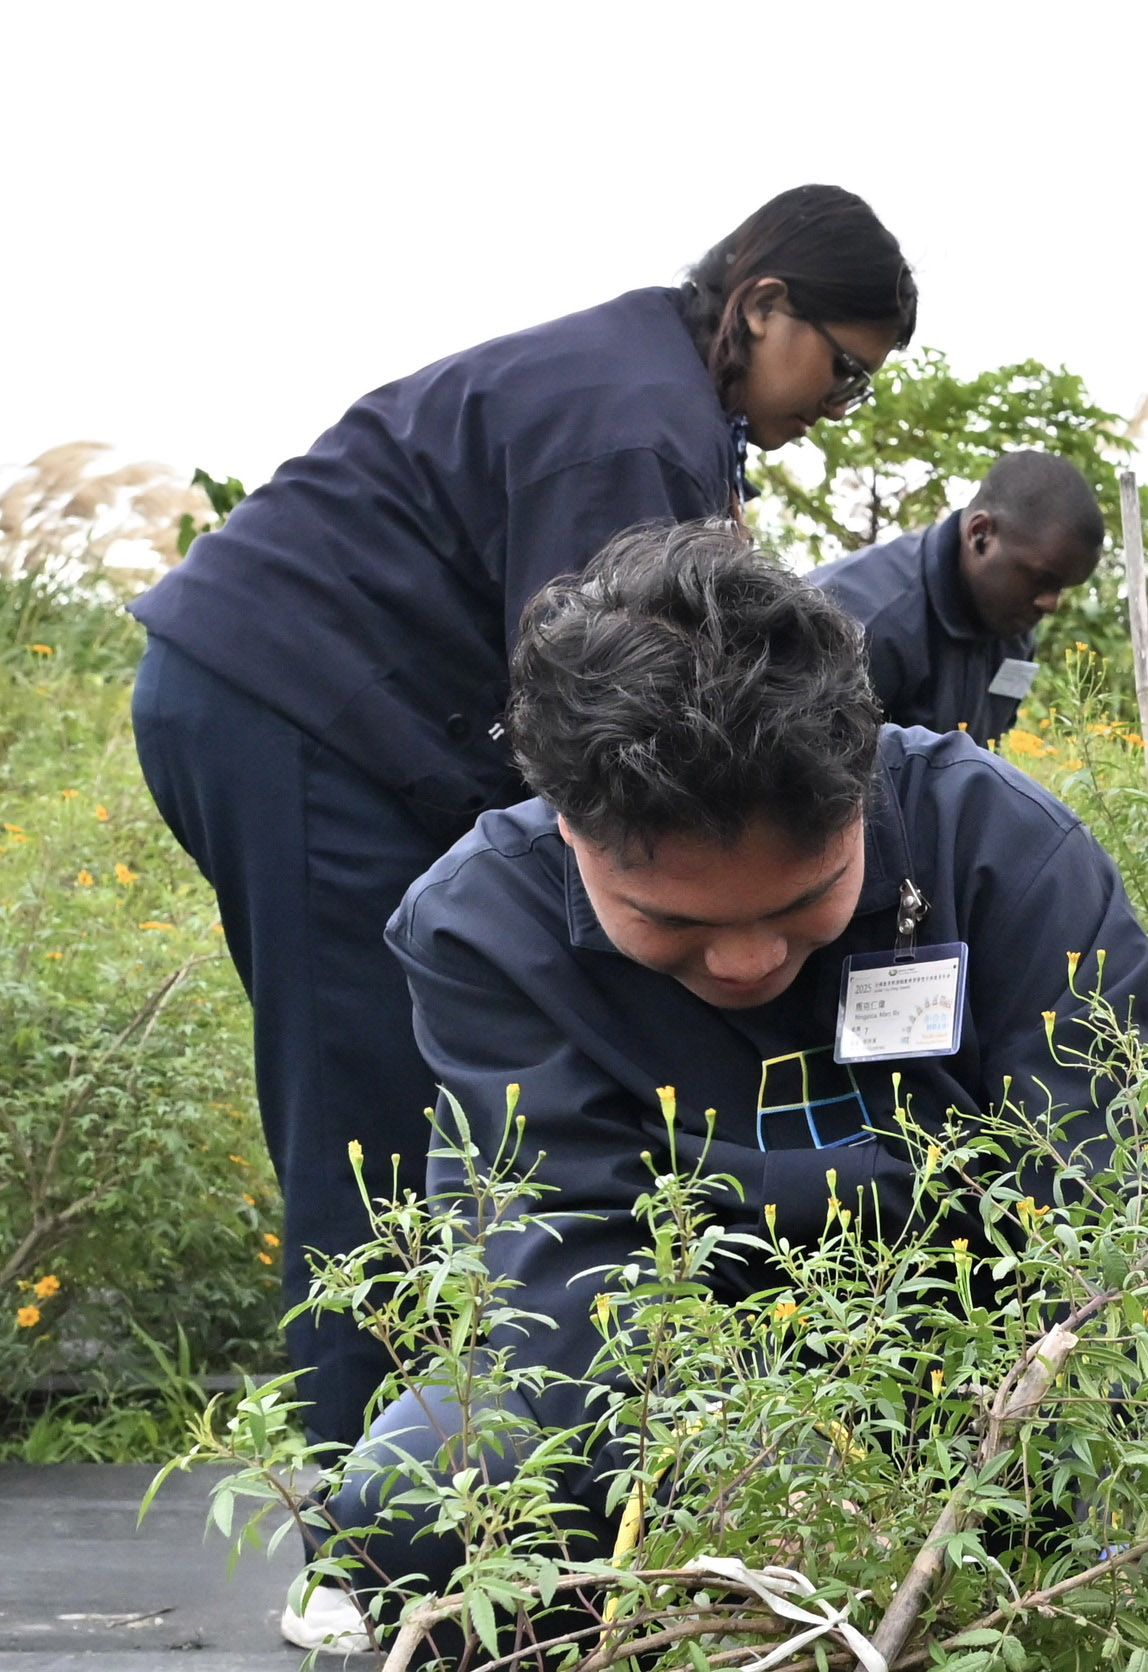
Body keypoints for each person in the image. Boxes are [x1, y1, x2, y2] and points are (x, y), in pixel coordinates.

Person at [322, 523, 1148, 1650]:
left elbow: (1124, 1214)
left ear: (863, 787)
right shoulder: (480, 926)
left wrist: (1022, 1447)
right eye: (674, 922)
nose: (746, 962)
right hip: (667, 1393)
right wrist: (761, 1459)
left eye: (805, 899)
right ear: (568, 822)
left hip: (1004, 1364)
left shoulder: (1003, 850)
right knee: (416, 1492)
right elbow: (558, 1282)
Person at [125, 186, 916, 1492]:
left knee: (427, 1086)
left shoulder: (665, 402)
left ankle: (483, 1453)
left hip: (339, 727)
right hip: (296, 713)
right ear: (763, 305)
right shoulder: (629, 426)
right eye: (842, 373)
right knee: (366, 1103)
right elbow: (611, 741)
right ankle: (361, 1516)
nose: (838, 408)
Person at [809, 450, 1104, 744]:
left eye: (1063, 587)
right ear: (980, 535)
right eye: (1042, 579)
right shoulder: (861, 625)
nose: (1050, 604)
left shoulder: (1010, 628)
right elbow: (799, 770)